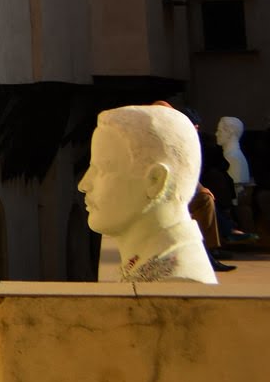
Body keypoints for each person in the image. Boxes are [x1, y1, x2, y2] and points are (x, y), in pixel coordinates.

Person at [79, 104, 218, 284]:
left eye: (103, 168)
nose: (83, 184)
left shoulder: (177, 281)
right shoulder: (147, 262)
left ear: (155, 181)